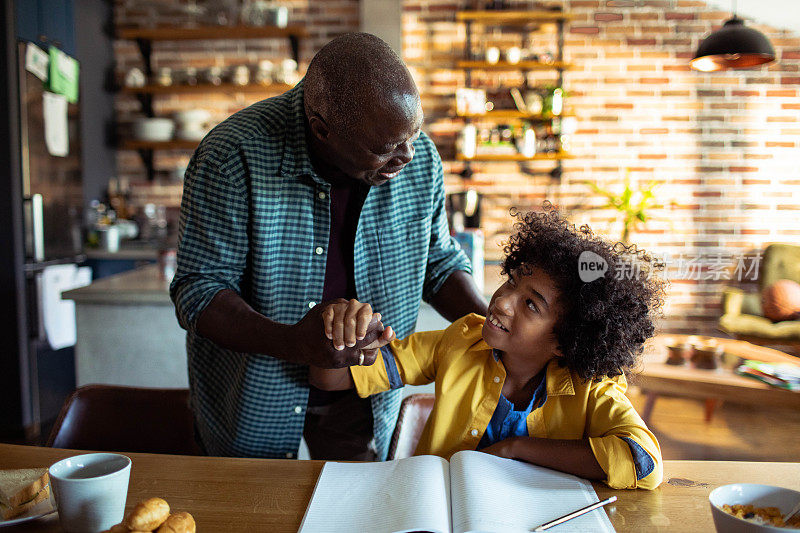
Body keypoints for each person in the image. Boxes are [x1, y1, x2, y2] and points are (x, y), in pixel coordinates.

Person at [169, 32, 487, 461]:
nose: (408, 156)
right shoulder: (232, 156)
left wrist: (501, 329)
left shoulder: (419, 158)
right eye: (386, 148)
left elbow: (438, 262)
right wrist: (294, 342)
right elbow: (198, 290)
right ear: (322, 130)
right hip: (255, 401)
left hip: (362, 397)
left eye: (413, 134)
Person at [310, 206, 665, 489]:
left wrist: (517, 448)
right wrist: (342, 338)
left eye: (531, 305)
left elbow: (643, 463)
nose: (502, 301)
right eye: (511, 282)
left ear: (564, 340)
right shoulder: (462, 338)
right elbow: (331, 380)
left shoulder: (592, 386)